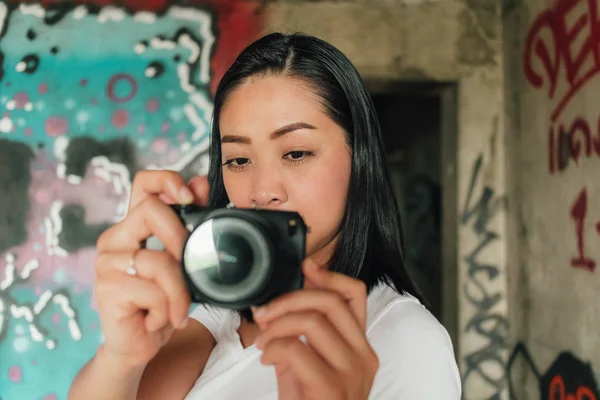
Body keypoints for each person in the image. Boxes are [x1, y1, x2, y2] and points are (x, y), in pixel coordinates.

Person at [68, 32, 461, 399]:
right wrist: (120, 357)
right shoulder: (219, 316)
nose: (263, 190)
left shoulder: (405, 339)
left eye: (296, 153)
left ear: (360, 160)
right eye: (238, 160)